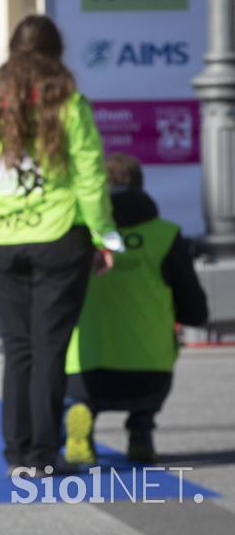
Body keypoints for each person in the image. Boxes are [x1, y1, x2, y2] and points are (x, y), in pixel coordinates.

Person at [0, 14, 120, 475]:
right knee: (50, 348)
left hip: (3, 238)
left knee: (18, 349)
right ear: (57, 52)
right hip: (59, 236)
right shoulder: (69, 104)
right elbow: (90, 177)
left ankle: (16, 454)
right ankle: (43, 454)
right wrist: (103, 234)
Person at [63, 153, 208, 466]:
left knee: (75, 392)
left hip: (84, 371)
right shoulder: (166, 235)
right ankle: (141, 430)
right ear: (141, 187)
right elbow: (195, 310)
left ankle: (80, 417)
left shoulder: (79, 234)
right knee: (153, 368)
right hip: (150, 372)